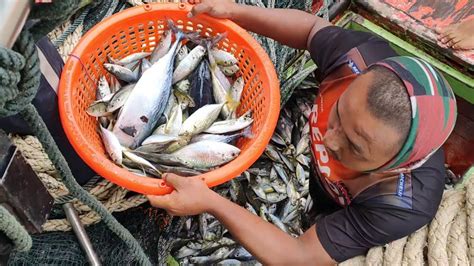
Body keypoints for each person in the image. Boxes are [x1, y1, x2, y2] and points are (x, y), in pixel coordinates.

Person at [147, 0, 458, 264]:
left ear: (396, 165)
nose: (329, 138)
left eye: (355, 145)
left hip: (345, 204)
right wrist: (236, 12)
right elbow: (310, 31)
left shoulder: (402, 203)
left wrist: (211, 203)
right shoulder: (356, 57)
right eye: (338, 112)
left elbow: (299, 257)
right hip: (319, 178)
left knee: (322, 217)